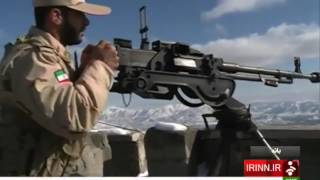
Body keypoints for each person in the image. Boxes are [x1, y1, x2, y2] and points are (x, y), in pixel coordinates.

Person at [0, 0, 119, 176]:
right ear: (56, 16)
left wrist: (83, 72)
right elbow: (76, 115)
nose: (86, 22)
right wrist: (101, 66)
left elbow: (57, 97)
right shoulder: (33, 58)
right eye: (80, 15)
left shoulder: (49, 57)